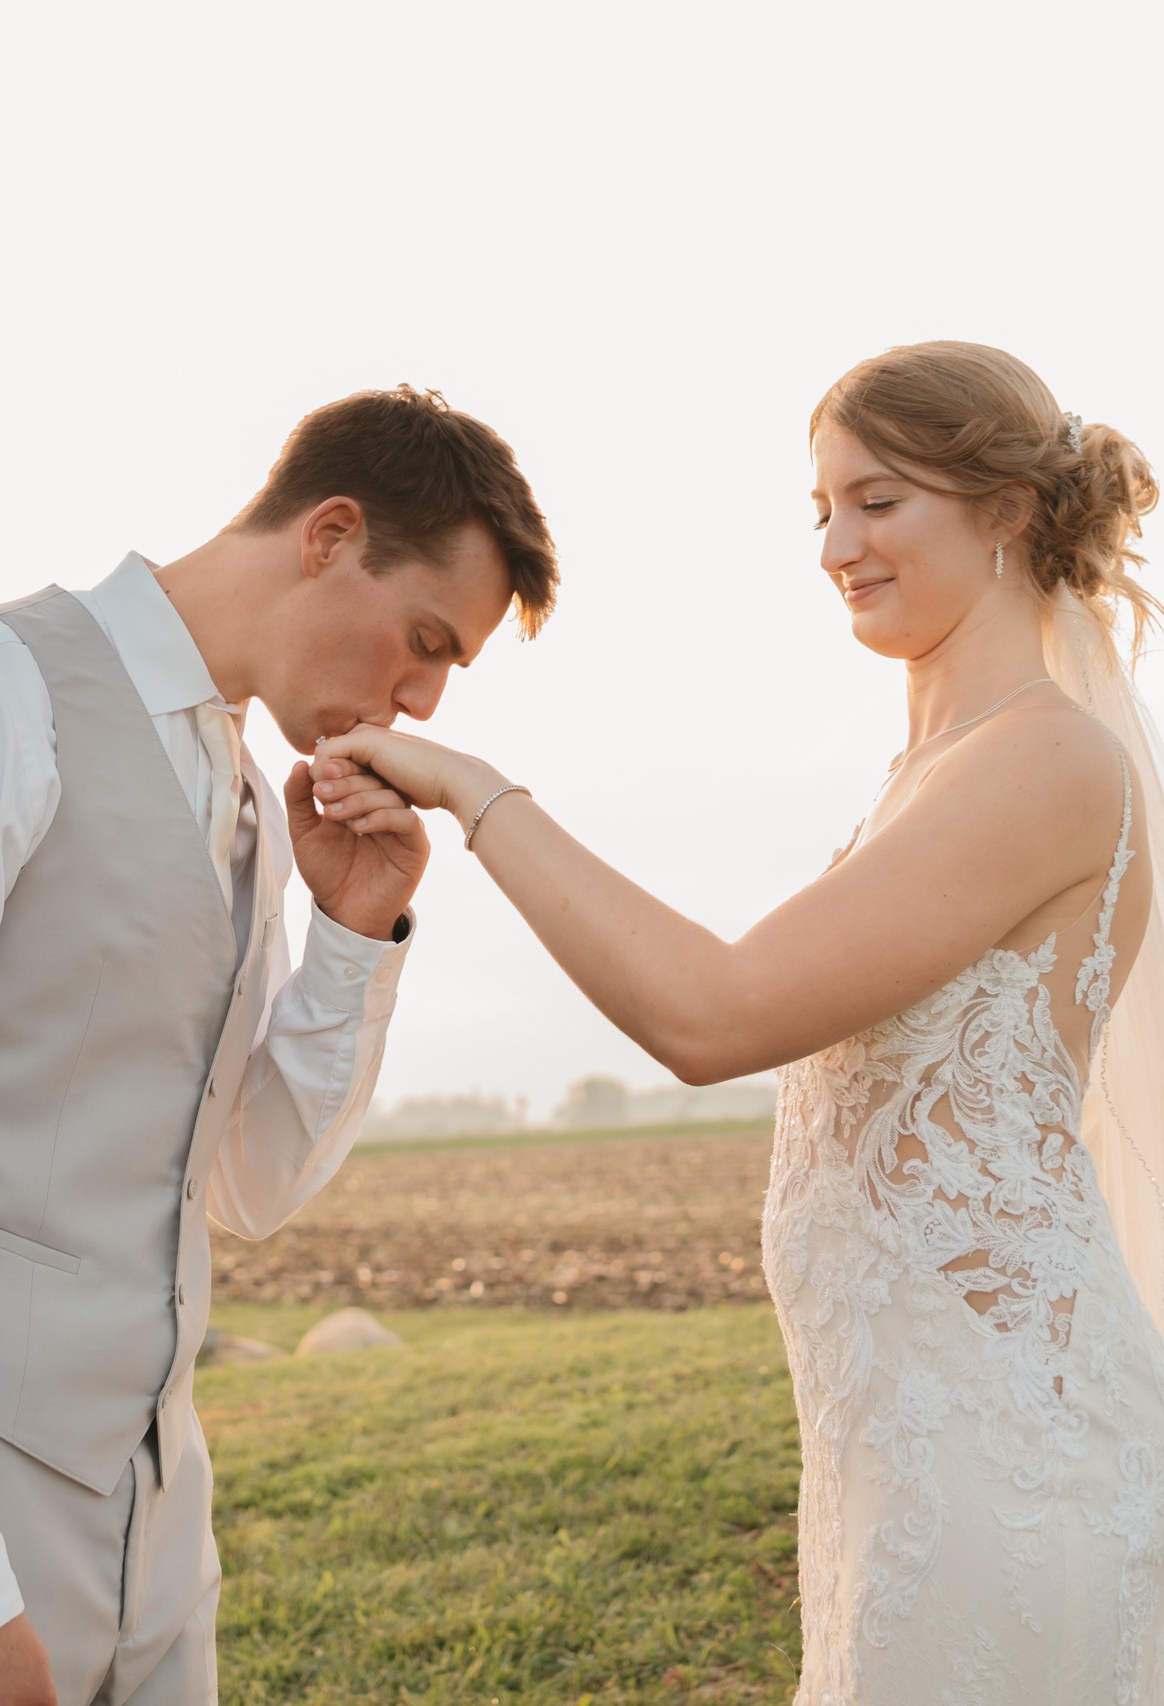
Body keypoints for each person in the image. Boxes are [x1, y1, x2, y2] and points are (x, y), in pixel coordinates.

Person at [311, 343, 1164, 1703]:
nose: (834, 546)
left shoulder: (1045, 758)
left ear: (1006, 506)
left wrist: (476, 792)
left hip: (1006, 1468)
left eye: (878, 501)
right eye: (820, 508)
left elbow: (713, 1012)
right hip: (893, 1458)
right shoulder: (929, 773)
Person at [0, 383, 558, 1706]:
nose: (423, 698)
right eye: (425, 639)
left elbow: (243, 1185)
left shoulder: (251, 802)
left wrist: (351, 937)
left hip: (161, 1543)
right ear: (330, 534)